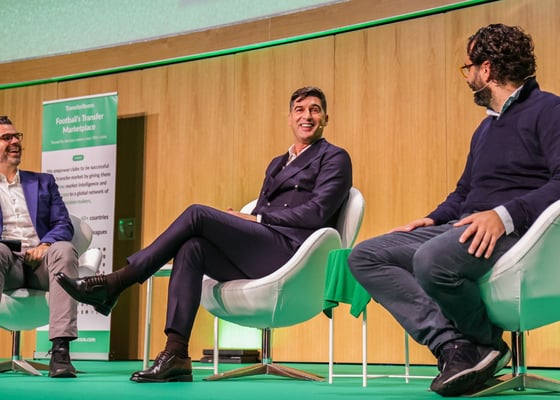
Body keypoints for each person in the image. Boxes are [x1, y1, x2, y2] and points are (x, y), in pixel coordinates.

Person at [56, 86, 353, 383]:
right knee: (192, 248)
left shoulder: (335, 157)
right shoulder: (277, 163)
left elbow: (318, 212)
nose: (306, 116)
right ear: (289, 118)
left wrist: (256, 218)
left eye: (314, 110)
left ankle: (116, 282)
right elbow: (262, 210)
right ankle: (176, 354)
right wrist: (245, 220)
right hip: (264, 246)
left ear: (326, 118)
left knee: (197, 214)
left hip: (295, 254)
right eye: (299, 110)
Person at [348, 23, 560, 397]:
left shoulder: (549, 109)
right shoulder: (485, 129)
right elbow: (464, 193)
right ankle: (455, 346)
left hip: (521, 233)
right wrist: (433, 218)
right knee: (366, 255)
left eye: (468, 68)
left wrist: (504, 216)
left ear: (487, 69)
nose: (468, 77)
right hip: (464, 228)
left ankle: (483, 343)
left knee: (432, 259)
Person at [0, 116, 79, 378]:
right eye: (6, 138)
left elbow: (63, 223)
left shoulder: (43, 182)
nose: (15, 142)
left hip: (41, 264)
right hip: (6, 263)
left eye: (17, 136)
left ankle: (60, 351)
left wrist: (45, 244)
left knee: (64, 249)